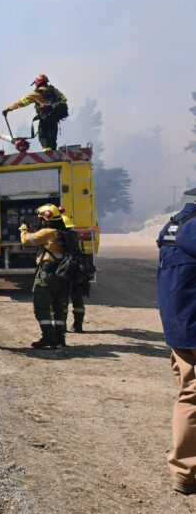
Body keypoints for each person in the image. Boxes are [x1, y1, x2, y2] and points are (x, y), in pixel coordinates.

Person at [157, 187, 196, 494]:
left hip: (180, 324)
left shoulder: (176, 224)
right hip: (192, 324)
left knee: (190, 392)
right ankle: (186, 470)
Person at [20, 204, 69, 348]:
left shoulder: (48, 232)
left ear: (45, 219)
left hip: (47, 275)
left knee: (41, 307)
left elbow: (26, 240)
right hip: (62, 274)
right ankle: (60, 338)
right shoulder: (63, 231)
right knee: (58, 308)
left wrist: (23, 228)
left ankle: (48, 337)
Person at [2, 74, 68, 152]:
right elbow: (64, 99)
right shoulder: (54, 90)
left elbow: (21, 102)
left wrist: (8, 109)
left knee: (43, 136)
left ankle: (47, 152)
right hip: (55, 119)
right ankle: (53, 153)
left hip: (44, 119)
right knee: (53, 137)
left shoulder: (35, 93)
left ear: (37, 83)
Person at [62, 213, 88, 333]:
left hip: (65, 271)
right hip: (78, 270)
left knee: (62, 299)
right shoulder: (74, 235)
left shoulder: (59, 236)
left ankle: (61, 326)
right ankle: (78, 325)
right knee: (78, 299)